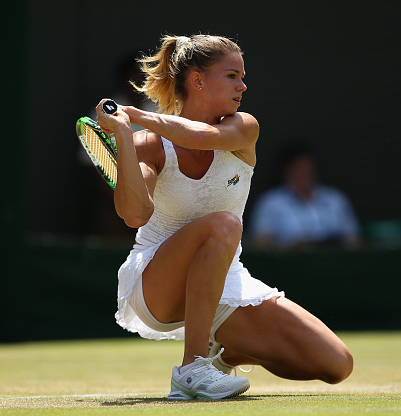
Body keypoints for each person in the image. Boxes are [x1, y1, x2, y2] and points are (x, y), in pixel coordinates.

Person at [95, 34, 353, 401]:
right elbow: (135, 214)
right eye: (232, 75)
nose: (243, 86)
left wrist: (135, 115)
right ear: (198, 81)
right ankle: (191, 369)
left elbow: (201, 137)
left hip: (225, 283)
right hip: (157, 287)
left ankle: (224, 353)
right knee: (224, 224)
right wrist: (124, 133)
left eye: (242, 76)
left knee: (336, 364)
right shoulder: (148, 145)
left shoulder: (243, 128)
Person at [249, 145, 362, 249]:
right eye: (298, 169)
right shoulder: (270, 202)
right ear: (286, 171)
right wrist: (291, 246)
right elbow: (259, 244)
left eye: (308, 169)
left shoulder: (335, 199)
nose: (304, 173)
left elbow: (355, 240)